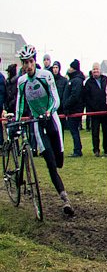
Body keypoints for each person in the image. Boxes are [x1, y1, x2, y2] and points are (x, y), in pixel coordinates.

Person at [4, 46, 74, 216]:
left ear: (35, 61)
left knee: (59, 161)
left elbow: (55, 98)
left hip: (51, 120)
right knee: (50, 164)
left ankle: (60, 190)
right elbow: (20, 103)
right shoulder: (22, 81)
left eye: (31, 62)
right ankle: (65, 199)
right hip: (37, 122)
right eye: (25, 63)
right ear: (22, 64)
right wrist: (19, 119)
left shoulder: (46, 76)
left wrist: (50, 111)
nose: (28, 66)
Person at [82, 63, 107, 156]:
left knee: (106, 131)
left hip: (105, 111)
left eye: (97, 69)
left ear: (100, 70)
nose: (95, 71)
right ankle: (96, 150)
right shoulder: (88, 82)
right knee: (95, 132)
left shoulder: (106, 80)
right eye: (94, 69)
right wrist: (93, 108)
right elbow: (87, 98)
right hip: (94, 111)